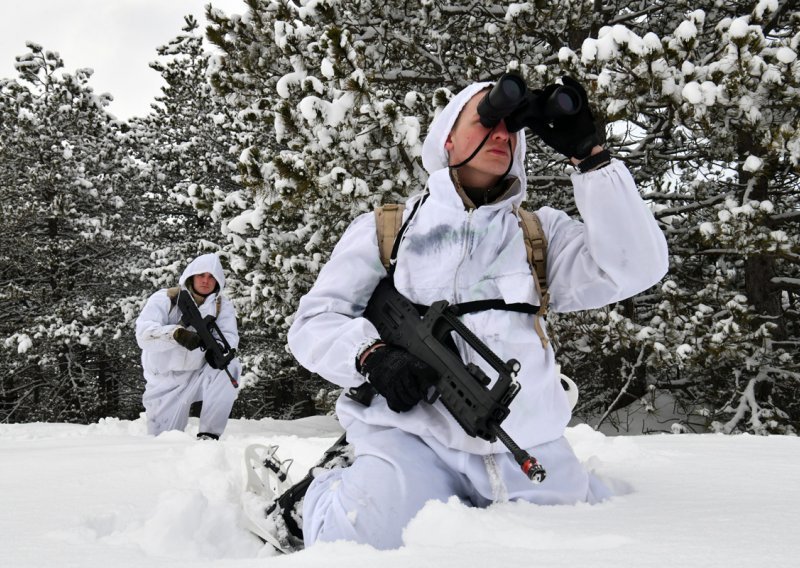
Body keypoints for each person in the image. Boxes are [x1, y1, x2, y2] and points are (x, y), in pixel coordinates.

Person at [286, 77, 668, 550]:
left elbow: (637, 267)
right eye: (486, 120)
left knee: (570, 547)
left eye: (511, 128)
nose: (502, 134)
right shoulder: (388, 230)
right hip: (412, 436)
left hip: (524, 440)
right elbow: (314, 322)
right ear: (447, 139)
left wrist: (591, 159)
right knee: (365, 538)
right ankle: (315, 494)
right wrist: (371, 357)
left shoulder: (539, 235)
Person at [135, 253, 241, 440]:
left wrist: (215, 350)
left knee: (229, 366)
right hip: (163, 381)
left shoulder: (221, 306)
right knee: (162, 443)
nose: (206, 281)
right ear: (191, 276)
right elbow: (143, 335)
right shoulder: (165, 299)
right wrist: (176, 335)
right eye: (201, 275)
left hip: (196, 375)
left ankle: (209, 435)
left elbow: (229, 337)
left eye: (211, 277)